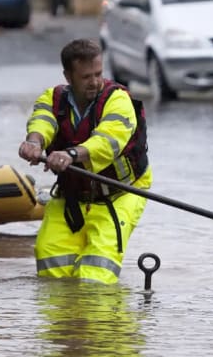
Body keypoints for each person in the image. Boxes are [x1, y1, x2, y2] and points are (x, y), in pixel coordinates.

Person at [18, 38, 152, 284]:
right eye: (86, 77)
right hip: (72, 194)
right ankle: (64, 322)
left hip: (120, 193)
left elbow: (108, 141)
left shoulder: (118, 101)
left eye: (98, 74)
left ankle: (103, 320)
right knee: (50, 263)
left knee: (96, 272)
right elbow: (42, 122)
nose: (94, 82)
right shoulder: (53, 98)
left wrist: (70, 154)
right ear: (68, 76)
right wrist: (34, 143)